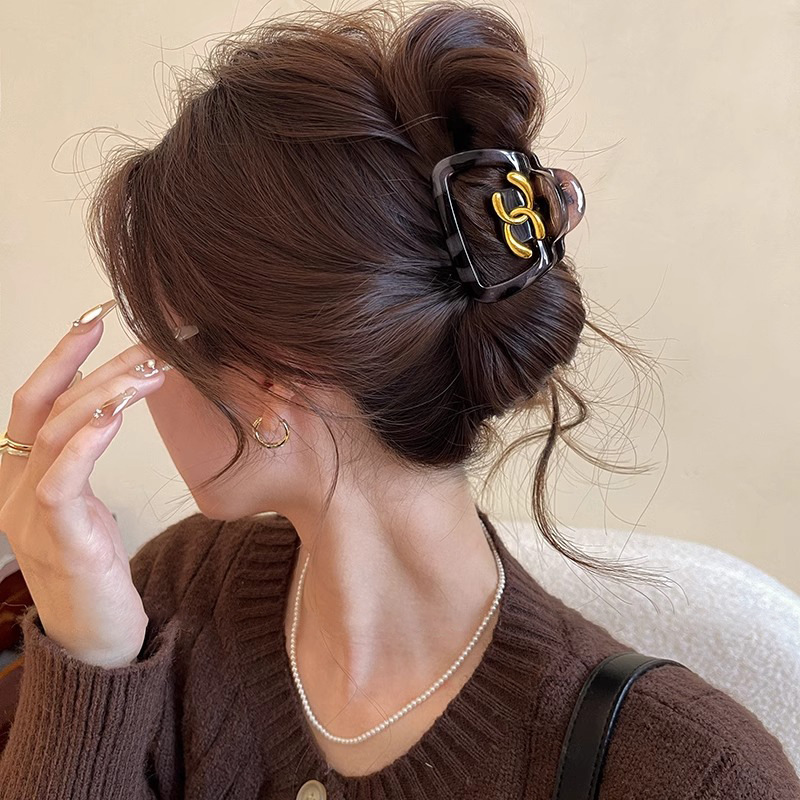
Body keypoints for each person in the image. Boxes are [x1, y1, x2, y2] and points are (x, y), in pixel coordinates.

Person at [0, 1, 798, 798]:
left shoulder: (699, 777)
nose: (139, 372)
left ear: (272, 376)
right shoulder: (174, 588)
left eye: (153, 333)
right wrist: (89, 655)